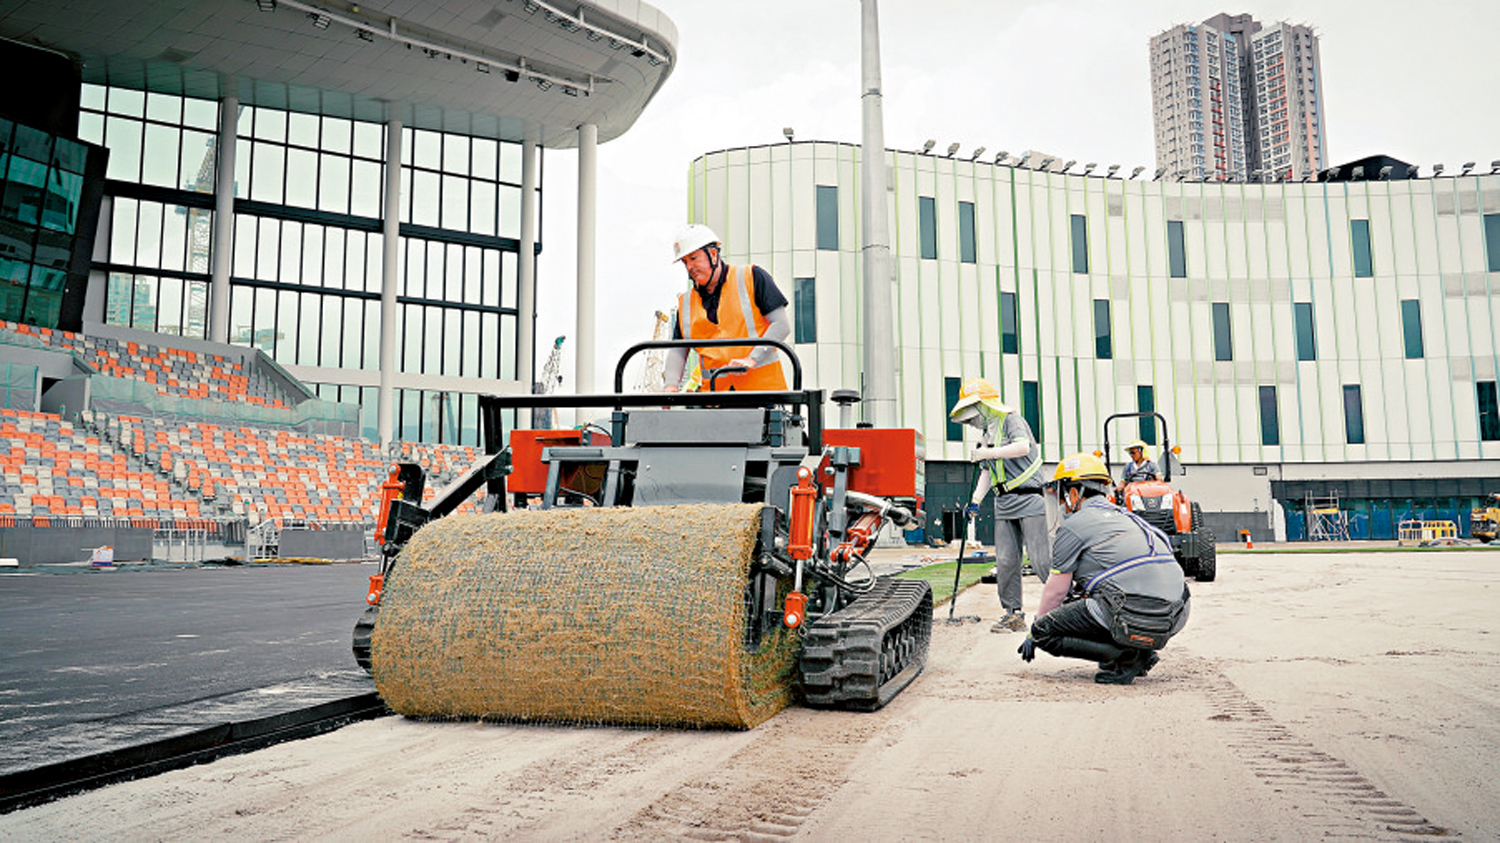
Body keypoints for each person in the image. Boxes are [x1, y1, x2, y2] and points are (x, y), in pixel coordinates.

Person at [1017, 453, 1191, 684]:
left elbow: (1056, 592)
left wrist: (1034, 631)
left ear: (1074, 493)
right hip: (1176, 613)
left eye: (1062, 497)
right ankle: (1143, 652)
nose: (1062, 504)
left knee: (1045, 631)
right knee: (1090, 595)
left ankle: (1125, 657)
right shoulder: (1128, 517)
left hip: (1138, 611)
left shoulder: (1073, 527)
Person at [948, 377, 1049, 633]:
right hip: (1003, 502)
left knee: (1040, 559)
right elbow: (986, 471)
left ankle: (1064, 607)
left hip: (1029, 496)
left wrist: (988, 453)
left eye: (972, 416)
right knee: (1005, 561)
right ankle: (1013, 614)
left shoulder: (1011, 420)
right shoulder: (986, 434)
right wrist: (975, 502)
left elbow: (1023, 447)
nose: (972, 422)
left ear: (984, 406)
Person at [663, 224, 791, 392]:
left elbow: (781, 325)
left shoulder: (752, 277)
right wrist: (670, 386)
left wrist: (751, 359)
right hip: (715, 400)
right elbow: (678, 349)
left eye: (693, 258)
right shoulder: (686, 303)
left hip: (761, 396)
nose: (689, 267)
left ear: (713, 254)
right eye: (684, 262)